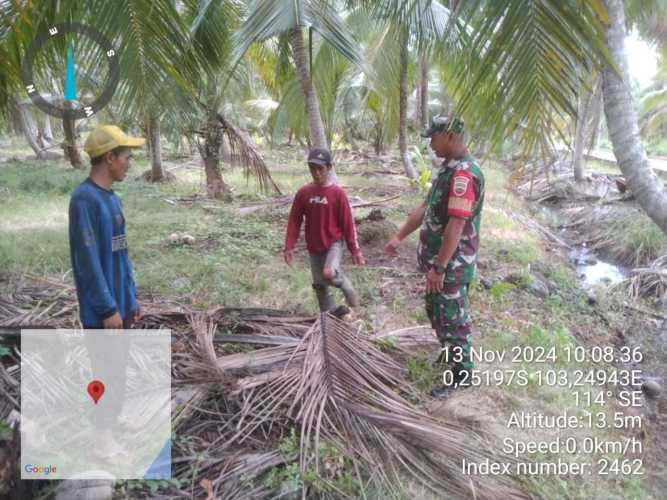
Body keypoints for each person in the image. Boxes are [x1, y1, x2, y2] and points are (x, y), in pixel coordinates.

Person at [385, 116, 485, 398]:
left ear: (450, 136)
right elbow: (425, 206)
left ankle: (461, 375)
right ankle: (449, 358)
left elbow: (456, 225)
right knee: (438, 314)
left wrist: (440, 267)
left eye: (434, 138)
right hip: (439, 265)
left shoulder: (464, 175)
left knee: (453, 320)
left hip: (451, 266)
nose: (430, 144)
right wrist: (399, 236)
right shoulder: (448, 170)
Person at [69, 124, 145, 457]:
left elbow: (121, 252)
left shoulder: (112, 199)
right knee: (104, 369)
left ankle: (111, 420)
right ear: (110, 158)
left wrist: (130, 297)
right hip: (104, 310)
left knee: (118, 366)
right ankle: (101, 437)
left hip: (120, 303)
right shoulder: (84, 200)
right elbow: (87, 262)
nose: (130, 162)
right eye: (126, 156)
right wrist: (107, 308)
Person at [283, 148, 365, 313]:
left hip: (333, 243)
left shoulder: (337, 194)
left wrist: (355, 250)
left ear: (329, 168)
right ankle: (331, 316)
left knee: (328, 272)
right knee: (320, 286)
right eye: (312, 168)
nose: (317, 173)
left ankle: (347, 287)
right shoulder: (304, 193)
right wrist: (289, 246)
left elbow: (348, 224)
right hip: (314, 247)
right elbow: (294, 221)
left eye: (320, 168)